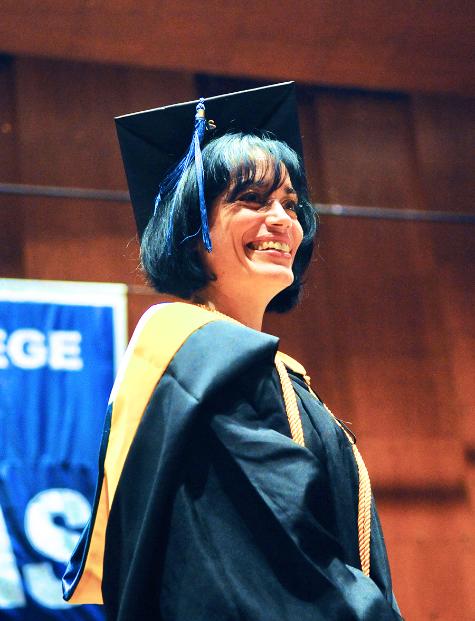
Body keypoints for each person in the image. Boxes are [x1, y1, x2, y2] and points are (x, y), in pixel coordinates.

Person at [63, 83, 403, 620]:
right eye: (252, 199)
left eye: (290, 205)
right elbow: (274, 559)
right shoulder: (199, 361)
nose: (283, 220)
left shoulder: (262, 369)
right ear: (190, 224)